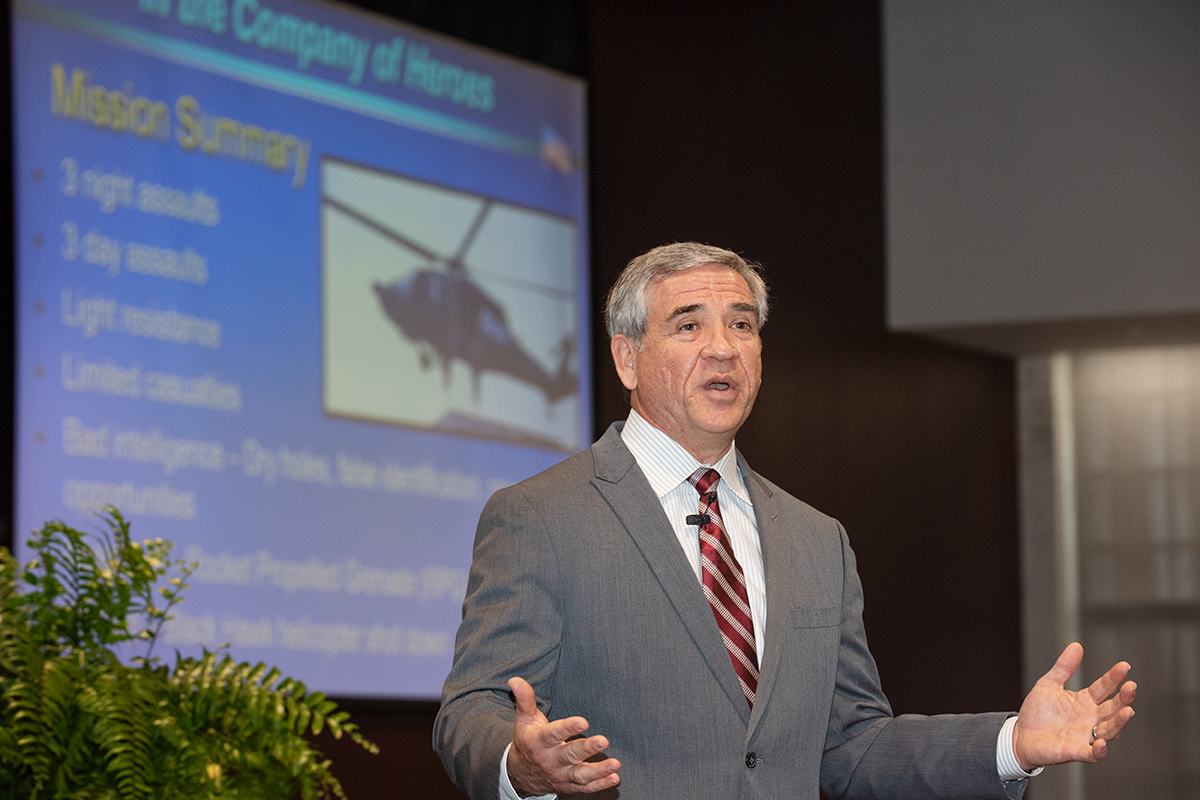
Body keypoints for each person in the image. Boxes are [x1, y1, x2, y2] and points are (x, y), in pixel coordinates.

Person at [434, 242, 1136, 800]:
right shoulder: (540, 516)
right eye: (689, 325)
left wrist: (1012, 743)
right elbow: (470, 712)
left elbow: (852, 747)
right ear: (627, 358)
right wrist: (519, 767)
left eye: (742, 324)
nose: (723, 346)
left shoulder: (816, 538)